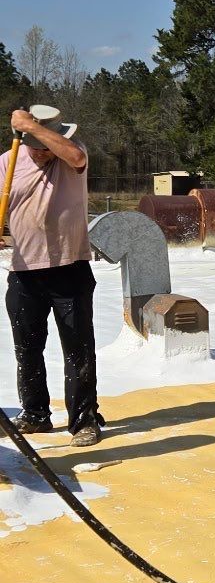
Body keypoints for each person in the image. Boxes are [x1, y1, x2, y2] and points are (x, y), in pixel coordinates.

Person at [1, 104, 103, 447]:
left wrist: (32, 127)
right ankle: (34, 415)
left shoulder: (71, 155)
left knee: (78, 349)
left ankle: (84, 421)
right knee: (27, 349)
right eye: (35, 145)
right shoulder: (8, 160)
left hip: (69, 267)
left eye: (47, 144)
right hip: (23, 270)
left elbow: (73, 156)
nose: (43, 153)